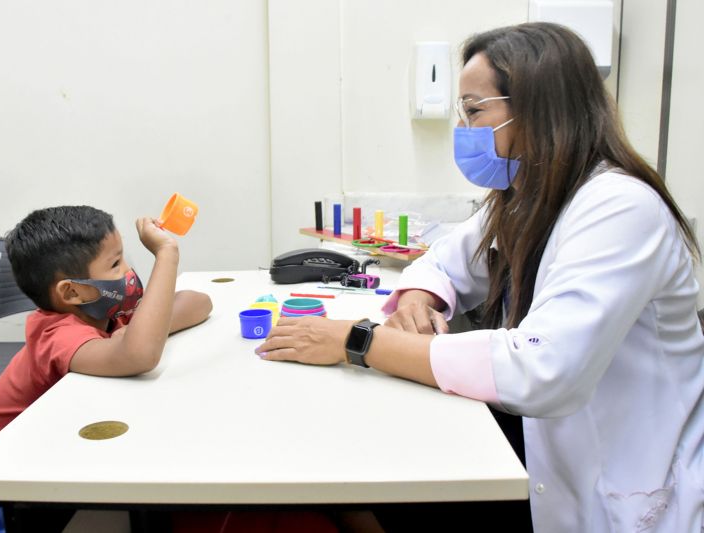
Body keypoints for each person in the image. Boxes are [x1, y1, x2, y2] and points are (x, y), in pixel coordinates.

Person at [256, 22, 704, 533]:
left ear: (537, 109)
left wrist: (358, 341)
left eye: (474, 111)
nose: (463, 128)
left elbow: (542, 370)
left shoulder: (620, 208)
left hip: (619, 488)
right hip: (549, 452)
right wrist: (419, 297)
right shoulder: (529, 197)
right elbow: (446, 259)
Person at [0, 205, 213, 532]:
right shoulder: (56, 334)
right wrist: (166, 253)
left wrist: (127, 334)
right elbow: (140, 355)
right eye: (116, 263)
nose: (128, 271)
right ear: (72, 291)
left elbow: (198, 302)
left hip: (44, 462)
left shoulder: (105, 311)